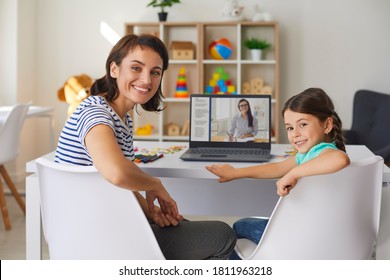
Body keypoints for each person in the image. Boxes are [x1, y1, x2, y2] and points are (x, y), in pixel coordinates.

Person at [54, 34, 236, 260]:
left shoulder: (121, 116)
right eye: (136, 68)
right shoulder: (96, 113)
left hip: (109, 223)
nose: (147, 80)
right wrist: (154, 184)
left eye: (155, 72)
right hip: (100, 236)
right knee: (222, 235)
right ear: (114, 68)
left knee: (183, 225)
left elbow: (117, 185)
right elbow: (117, 173)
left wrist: (152, 212)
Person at [206, 88, 350, 259]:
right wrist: (236, 172)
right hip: (311, 232)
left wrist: (293, 174)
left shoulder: (325, 151)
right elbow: (276, 168)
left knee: (240, 226)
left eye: (303, 124)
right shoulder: (306, 154)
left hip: (303, 238)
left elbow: (341, 159)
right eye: (289, 128)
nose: (295, 134)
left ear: (326, 125)